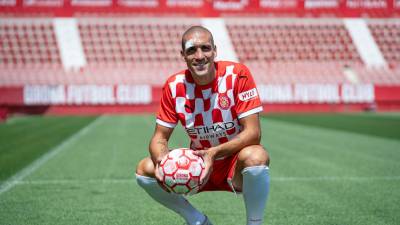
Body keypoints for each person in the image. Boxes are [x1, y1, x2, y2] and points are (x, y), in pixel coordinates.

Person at [135, 26, 270, 225]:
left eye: (205, 48)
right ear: (183, 55)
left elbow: (253, 133)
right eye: (192, 50)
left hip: (234, 164)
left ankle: (254, 223)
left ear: (214, 51)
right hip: (195, 168)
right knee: (145, 169)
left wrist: (213, 153)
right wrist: (161, 161)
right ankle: (197, 220)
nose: (200, 56)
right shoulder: (174, 86)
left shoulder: (237, 74)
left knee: (257, 156)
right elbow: (160, 138)